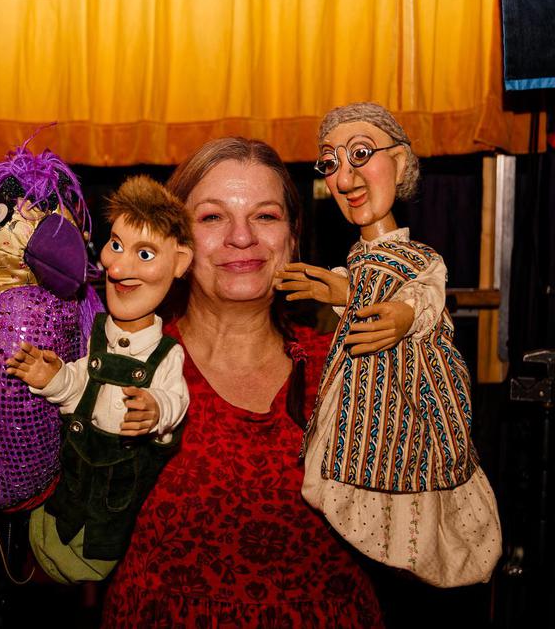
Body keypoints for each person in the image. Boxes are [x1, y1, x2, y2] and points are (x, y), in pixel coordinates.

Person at [102, 137, 384, 627]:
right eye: (212, 217)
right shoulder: (123, 364)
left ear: (292, 237)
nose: (241, 237)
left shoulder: (351, 365)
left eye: (266, 216)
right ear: (174, 245)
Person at [277, 102, 501, 587]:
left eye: (360, 154)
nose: (345, 177)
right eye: (331, 162)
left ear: (399, 163)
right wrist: (342, 291)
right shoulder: (359, 258)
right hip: (358, 397)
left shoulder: (419, 258)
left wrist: (404, 314)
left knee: (405, 470)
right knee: (355, 459)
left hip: (408, 398)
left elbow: (424, 294)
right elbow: (364, 289)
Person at [6, 175, 192, 580]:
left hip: (114, 504)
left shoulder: (167, 354)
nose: (117, 266)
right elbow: (82, 385)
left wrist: (157, 409)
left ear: (179, 263)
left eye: (145, 254)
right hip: (68, 487)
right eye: (116, 245)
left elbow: (176, 400)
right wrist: (54, 377)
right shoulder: (96, 332)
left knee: (100, 540)